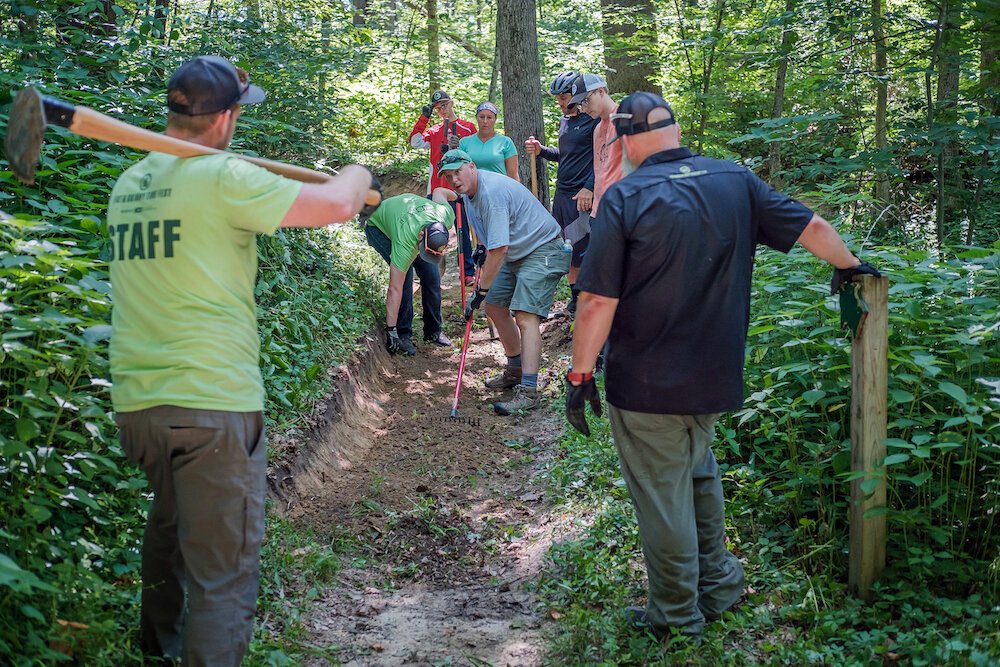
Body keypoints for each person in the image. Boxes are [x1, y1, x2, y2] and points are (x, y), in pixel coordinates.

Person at [565, 92, 880, 641]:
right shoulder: (734, 178)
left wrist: (580, 374)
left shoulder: (626, 196)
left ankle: (676, 617)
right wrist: (852, 267)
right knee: (698, 472)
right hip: (715, 372)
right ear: (676, 130)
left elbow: (595, 303)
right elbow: (811, 227)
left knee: (664, 495)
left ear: (629, 141)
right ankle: (722, 586)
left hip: (646, 380)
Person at [105, 55, 380, 666]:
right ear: (226, 117)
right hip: (212, 403)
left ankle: (157, 649)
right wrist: (358, 173)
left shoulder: (130, 185)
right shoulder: (225, 177)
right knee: (223, 574)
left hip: (139, 404)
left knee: (171, 532)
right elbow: (336, 205)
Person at [438, 150, 570, 415]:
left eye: (458, 172)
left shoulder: (491, 193)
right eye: (449, 176)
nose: (454, 179)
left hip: (543, 249)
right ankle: (515, 369)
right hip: (515, 252)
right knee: (495, 306)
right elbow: (493, 243)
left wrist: (479, 291)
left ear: (472, 166)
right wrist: (482, 249)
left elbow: (499, 251)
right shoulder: (470, 195)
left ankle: (529, 391)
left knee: (525, 315)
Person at [525, 71, 599, 315]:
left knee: (582, 248)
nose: (561, 102)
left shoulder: (594, 120)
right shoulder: (565, 120)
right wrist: (542, 151)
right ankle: (575, 299)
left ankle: (589, 300)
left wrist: (590, 186)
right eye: (557, 98)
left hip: (583, 195)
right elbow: (566, 156)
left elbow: (602, 159)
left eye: (564, 96)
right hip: (563, 193)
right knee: (565, 248)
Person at [363, 190, 455, 355]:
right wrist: (391, 330)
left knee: (432, 277)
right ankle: (402, 333)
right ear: (421, 237)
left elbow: (440, 192)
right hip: (378, 225)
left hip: (408, 214)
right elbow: (394, 289)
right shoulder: (404, 242)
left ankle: (433, 331)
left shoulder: (445, 215)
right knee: (404, 280)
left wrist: (459, 197)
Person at [409, 89, 477, 285]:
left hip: (459, 189)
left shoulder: (467, 128)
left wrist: (461, 147)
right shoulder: (434, 130)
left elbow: (474, 157)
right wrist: (424, 117)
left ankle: (468, 273)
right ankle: (430, 275)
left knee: (463, 231)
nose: (442, 110)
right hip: (436, 190)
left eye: (445, 105)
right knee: (433, 233)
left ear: (452, 103)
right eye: (438, 108)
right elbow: (415, 142)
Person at [567, 73, 622, 219]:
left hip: (622, 211)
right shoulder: (597, 129)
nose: (583, 108)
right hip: (598, 213)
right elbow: (600, 169)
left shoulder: (624, 120)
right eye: (580, 104)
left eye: (586, 100)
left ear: (601, 91)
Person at [459, 101, 518, 179]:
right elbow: (458, 171)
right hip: (472, 189)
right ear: (476, 118)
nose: (485, 121)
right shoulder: (464, 142)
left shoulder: (505, 142)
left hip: (499, 188)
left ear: (495, 119)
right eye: (482, 117)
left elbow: (513, 176)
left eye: (489, 117)